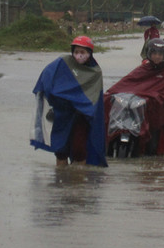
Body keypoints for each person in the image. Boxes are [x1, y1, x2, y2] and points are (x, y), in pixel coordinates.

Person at [105, 38, 164, 156]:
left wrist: (154, 98)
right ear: (149, 54)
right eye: (154, 53)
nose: (157, 56)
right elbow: (127, 82)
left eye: (160, 54)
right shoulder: (143, 69)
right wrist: (111, 93)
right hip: (146, 111)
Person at [31, 36, 108, 166]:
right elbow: (46, 77)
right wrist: (54, 98)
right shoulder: (63, 63)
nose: (79, 55)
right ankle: (61, 175)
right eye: (76, 52)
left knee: (79, 149)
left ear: (90, 53)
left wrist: (85, 108)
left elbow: (95, 98)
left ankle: (78, 177)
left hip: (82, 115)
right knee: (60, 149)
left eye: (82, 52)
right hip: (62, 113)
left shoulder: (95, 72)